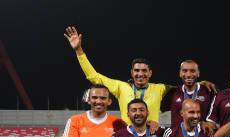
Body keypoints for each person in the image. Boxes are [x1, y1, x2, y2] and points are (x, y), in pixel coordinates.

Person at [64, 26, 214, 124]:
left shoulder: (160, 88)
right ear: (131, 73)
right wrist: (79, 50)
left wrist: (202, 83)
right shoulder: (120, 87)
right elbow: (93, 76)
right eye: (136, 71)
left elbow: (184, 87)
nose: (140, 74)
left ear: (150, 73)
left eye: (144, 71)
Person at [162, 60, 214, 129]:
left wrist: (210, 123)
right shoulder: (172, 93)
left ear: (198, 73)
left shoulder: (209, 91)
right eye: (185, 71)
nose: (188, 75)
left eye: (192, 71)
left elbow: (217, 118)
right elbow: (160, 115)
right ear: (180, 73)